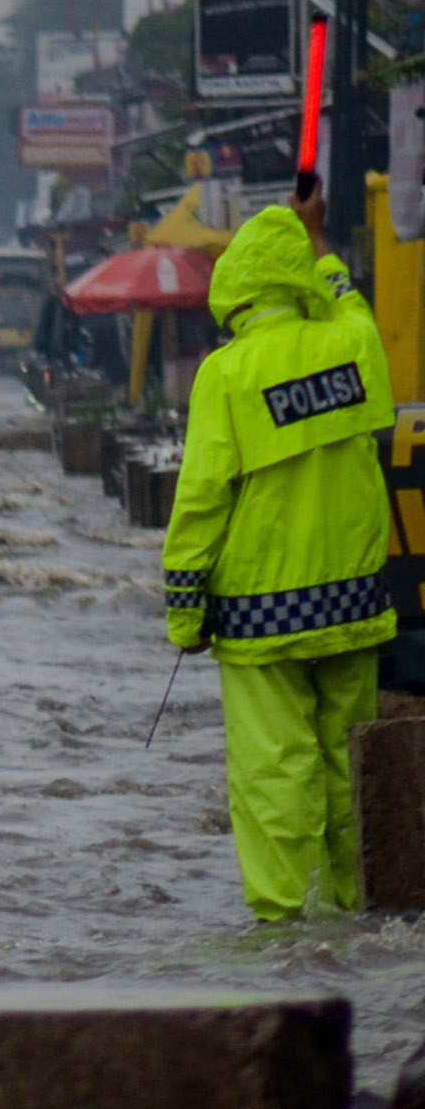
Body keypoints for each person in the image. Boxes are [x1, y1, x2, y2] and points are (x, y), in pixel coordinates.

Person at [162, 192, 397, 921]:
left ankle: (285, 924)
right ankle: (352, 906)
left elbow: (199, 500)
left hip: (261, 617)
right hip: (354, 606)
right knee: (346, 764)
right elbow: (348, 299)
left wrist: (184, 615)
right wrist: (321, 240)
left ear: (235, 287)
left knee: (274, 773)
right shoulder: (355, 345)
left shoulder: (226, 375)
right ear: (297, 279)